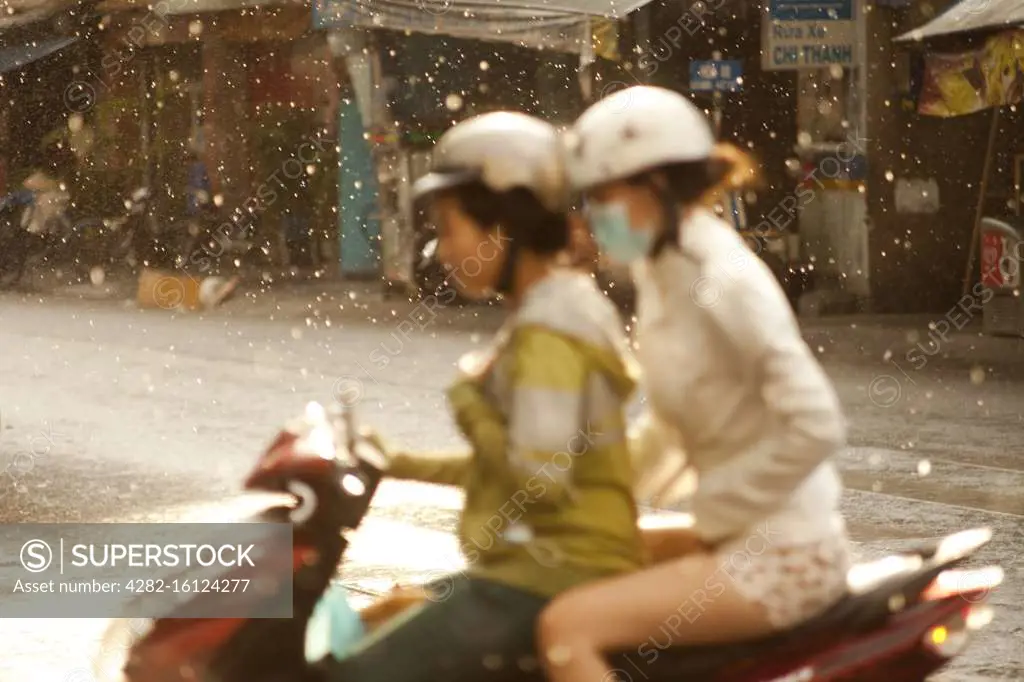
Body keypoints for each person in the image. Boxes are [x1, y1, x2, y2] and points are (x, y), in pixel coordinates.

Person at [304, 110, 646, 682]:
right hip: (541, 564)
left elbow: (537, 481)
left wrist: (468, 405)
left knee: (359, 674)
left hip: (551, 572)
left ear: (502, 229)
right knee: (386, 617)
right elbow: (518, 462)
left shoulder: (550, 336)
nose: (440, 249)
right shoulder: (557, 311)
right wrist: (401, 462)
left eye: (450, 227)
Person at [536, 85, 852, 682]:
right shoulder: (663, 271)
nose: (592, 213)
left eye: (603, 194)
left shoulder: (722, 280)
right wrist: (594, 496)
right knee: (570, 560)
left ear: (654, 186)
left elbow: (818, 424)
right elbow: (673, 425)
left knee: (565, 627)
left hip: (784, 552)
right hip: (738, 532)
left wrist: (716, 512)